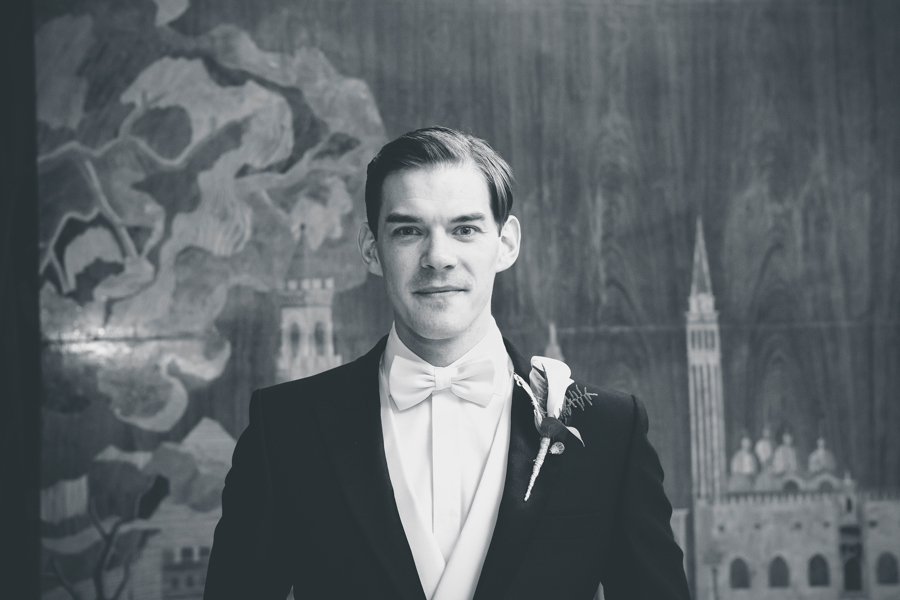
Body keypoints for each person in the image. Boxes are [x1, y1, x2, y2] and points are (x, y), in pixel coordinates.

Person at [204, 127, 690, 600]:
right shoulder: (285, 429)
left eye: (465, 229)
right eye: (409, 230)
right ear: (372, 248)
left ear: (506, 243)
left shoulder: (608, 430)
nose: (438, 257)